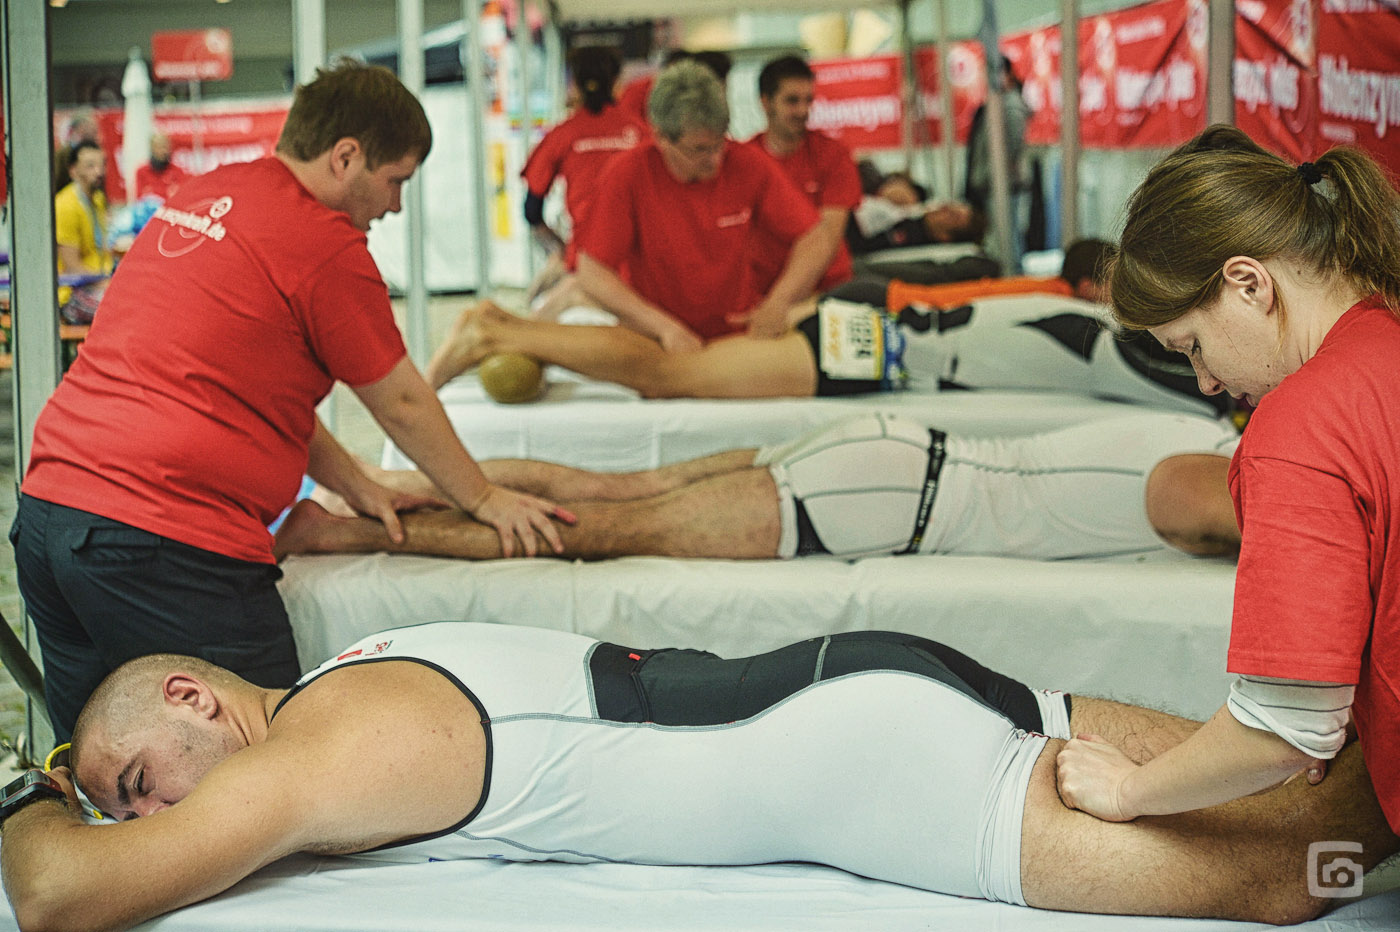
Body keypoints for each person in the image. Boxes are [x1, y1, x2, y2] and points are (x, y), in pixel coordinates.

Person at [3, 622, 1395, 931]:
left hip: (862, 760)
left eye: (134, 779)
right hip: (862, 680)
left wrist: (27, 786)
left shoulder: (316, 749)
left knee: (1291, 872)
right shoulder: (361, 666)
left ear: (194, 699)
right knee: (1308, 779)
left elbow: (65, 898)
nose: (144, 814)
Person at [12, 60, 567, 746]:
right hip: (160, 538)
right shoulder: (322, 243)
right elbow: (401, 402)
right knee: (267, 754)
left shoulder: (209, 192)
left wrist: (359, 485)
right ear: (346, 157)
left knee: (104, 765)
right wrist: (482, 498)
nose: (395, 206)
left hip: (49, 515)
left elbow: (252, 394)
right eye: (396, 181)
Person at [1053, 126, 1400, 837]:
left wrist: (1128, 790)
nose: (1207, 381)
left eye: (1194, 346)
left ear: (1249, 283)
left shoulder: (1302, 426)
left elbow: (1283, 728)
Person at [275, 411, 1240, 563]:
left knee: (612, 490)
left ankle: (381, 489)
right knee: (598, 528)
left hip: (891, 457)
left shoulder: (1202, 428)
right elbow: (1189, 505)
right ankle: (342, 531)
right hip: (893, 498)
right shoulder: (1217, 470)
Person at [424, 276, 1224, 418]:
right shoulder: (1096, 335)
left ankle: (507, 328)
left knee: (678, 375)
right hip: (871, 347)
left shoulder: (1071, 311)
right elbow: (1181, 388)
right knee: (674, 378)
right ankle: (501, 330)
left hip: (871, 340)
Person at [574, 60, 834, 349]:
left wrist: (778, 303)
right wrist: (663, 328)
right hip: (655, 341)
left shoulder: (746, 163)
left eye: (719, 143)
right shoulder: (627, 174)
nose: (715, 159)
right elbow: (592, 273)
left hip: (735, 337)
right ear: (661, 137)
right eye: (699, 149)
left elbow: (816, 239)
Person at [519, 46, 647, 318]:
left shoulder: (563, 134)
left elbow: (531, 209)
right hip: (638, 269)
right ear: (616, 82)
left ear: (574, 84)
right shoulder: (640, 132)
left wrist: (562, 250)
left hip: (585, 266)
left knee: (534, 323)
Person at [743, 55, 859, 297]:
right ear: (766, 102)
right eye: (792, 101)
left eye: (808, 100)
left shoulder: (833, 154)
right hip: (763, 293)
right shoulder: (744, 161)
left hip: (826, 289)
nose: (803, 110)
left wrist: (782, 303)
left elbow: (827, 238)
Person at [52, 139, 112, 324]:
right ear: (73, 171)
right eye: (90, 166)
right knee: (122, 309)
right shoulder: (65, 205)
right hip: (71, 294)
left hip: (99, 283)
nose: (99, 172)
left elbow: (102, 250)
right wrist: (108, 284)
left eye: (102, 165)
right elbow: (72, 267)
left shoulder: (98, 199)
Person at [132, 132, 189, 203]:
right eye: (158, 147)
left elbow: (182, 197)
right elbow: (139, 199)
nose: (163, 151)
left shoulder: (178, 172)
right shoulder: (142, 171)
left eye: (165, 147)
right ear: (152, 149)